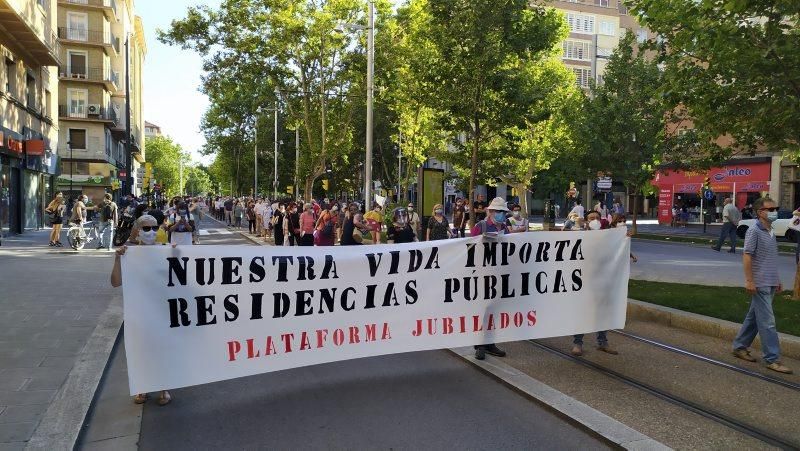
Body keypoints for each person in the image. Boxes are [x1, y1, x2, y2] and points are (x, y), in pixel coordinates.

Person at [110, 215, 173, 406]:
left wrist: (178, 255)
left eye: (155, 228)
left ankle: (164, 387)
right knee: (140, 350)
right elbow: (115, 282)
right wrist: (117, 259)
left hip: (162, 309)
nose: (151, 232)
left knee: (162, 349)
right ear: (137, 230)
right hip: (139, 310)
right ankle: (142, 388)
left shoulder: (165, 251)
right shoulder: (128, 253)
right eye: (146, 229)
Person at [731, 198, 792, 374]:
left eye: (776, 208)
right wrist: (749, 280)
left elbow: (769, 259)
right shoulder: (754, 231)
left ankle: (739, 346)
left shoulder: (770, 230)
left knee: (754, 318)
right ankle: (772, 359)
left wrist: (777, 279)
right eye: (771, 209)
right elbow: (747, 256)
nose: (775, 211)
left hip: (770, 281)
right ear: (760, 212)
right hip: (759, 283)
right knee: (768, 322)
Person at [571, 210, 619, 357]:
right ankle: (577, 343)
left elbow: (617, 248)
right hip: (583, 280)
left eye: (597, 218)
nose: (595, 220)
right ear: (586, 220)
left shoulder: (607, 236)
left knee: (602, 311)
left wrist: (626, 239)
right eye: (591, 218)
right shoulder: (579, 234)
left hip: (602, 280)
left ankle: (603, 342)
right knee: (582, 311)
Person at [469, 197, 509, 360]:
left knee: (494, 310)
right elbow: (469, 246)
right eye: (498, 211)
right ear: (490, 212)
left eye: (502, 212)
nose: (500, 214)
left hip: (499, 273)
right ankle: (479, 345)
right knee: (482, 310)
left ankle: (490, 343)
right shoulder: (481, 226)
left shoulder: (506, 228)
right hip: (483, 273)